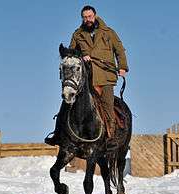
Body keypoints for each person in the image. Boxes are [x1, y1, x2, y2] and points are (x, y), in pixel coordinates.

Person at [46, 5, 129, 149]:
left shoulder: (108, 33)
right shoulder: (77, 34)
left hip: (105, 76)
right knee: (68, 100)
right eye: (84, 17)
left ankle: (110, 137)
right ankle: (58, 133)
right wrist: (81, 55)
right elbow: (71, 53)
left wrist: (122, 67)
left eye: (89, 16)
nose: (87, 20)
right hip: (85, 78)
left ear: (95, 16)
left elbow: (119, 50)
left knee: (107, 105)